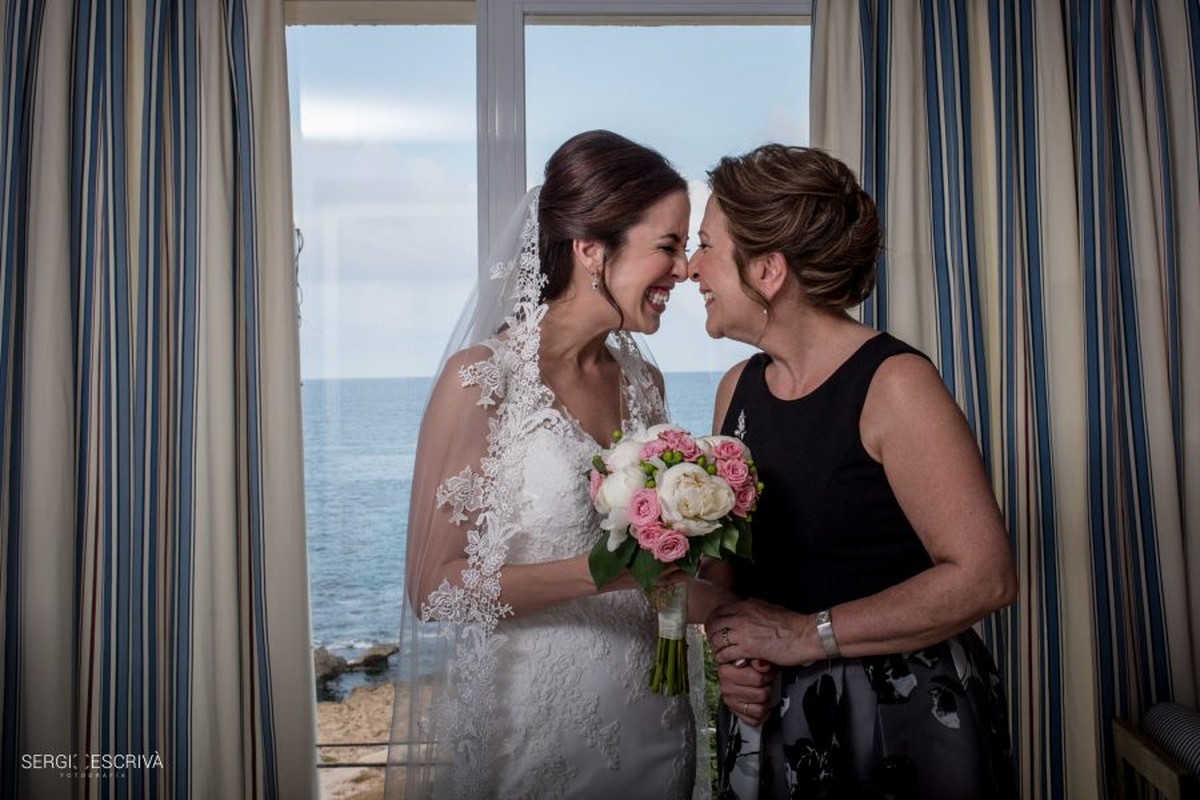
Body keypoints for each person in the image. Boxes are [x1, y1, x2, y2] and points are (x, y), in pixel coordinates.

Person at [687, 144, 1018, 799]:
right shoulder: (736, 389)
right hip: (774, 720)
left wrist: (806, 636)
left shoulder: (896, 386)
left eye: (705, 246)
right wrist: (733, 652)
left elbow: (986, 577)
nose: (691, 267)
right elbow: (724, 584)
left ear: (769, 270)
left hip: (899, 720)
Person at [387, 130, 697, 800]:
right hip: (538, 730)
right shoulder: (481, 382)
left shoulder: (645, 381)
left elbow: (667, 571)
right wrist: (604, 574)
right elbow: (435, 587)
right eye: (668, 246)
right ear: (591, 249)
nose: (684, 269)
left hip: (653, 716)